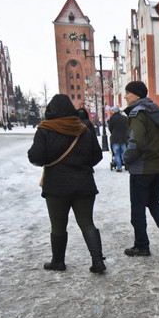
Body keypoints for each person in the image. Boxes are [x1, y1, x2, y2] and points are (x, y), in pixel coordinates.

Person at [27, 94, 106, 273]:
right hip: (84, 184)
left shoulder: (45, 129)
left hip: (56, 186)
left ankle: (58, 261)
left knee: (58, 224)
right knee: (87, 222)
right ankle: (97, 260)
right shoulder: (83, 129)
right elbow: (97, 155)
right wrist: (81, 166)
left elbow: (36, 157)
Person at [122, 80, 159, 256]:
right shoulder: (158, 113)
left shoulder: (138, 114)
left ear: (136, 94)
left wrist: (125, 158)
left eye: (128, 93)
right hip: (157, 166)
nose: (125, 97)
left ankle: (141, 245)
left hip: (141, 169)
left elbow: (136, 142)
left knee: (138, 208)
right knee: (154, 202)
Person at [107, 106, 128, 172]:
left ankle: (119, 168)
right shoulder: (125, 118)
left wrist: (113, 133)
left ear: (115, 111)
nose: (111, 112)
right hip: (123, 138)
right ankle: (126, 164)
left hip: (115, 138)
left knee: (116, 154)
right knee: (124, 152)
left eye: (112, 111)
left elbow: (110, 128)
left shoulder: (112, 118)